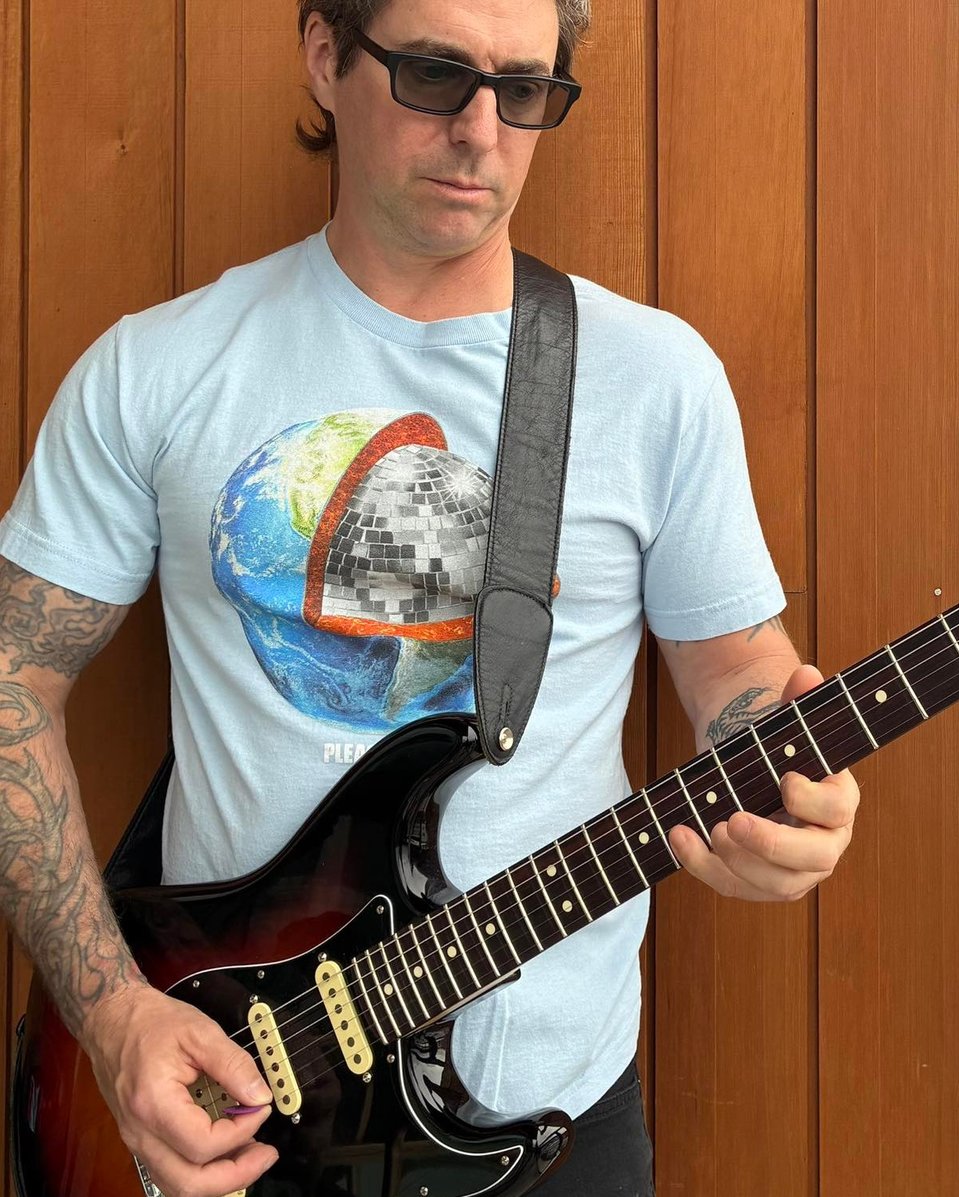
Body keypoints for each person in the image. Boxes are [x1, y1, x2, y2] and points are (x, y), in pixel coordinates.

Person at [0, 1, 860, 1194]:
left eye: (524, 89)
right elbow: (11, 682)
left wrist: (774, 778)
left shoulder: (653, 379)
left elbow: (736, 671)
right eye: (435, 73)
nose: (480, 130)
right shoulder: (158, 369)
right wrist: (111, 1014)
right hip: (231, 1103)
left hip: (560, 1116)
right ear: (325, 55)